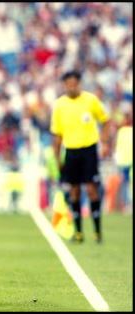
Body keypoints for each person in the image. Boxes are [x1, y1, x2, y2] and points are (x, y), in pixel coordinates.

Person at [50, 71, 111, 244]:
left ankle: (97, 231)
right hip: (71, 151)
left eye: (74, 83)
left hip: (89, 149)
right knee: (74, 190)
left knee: (91, 188)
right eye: (69, 83)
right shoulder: (60, 105)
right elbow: (57, 134)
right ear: (65, 85)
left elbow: (105, 121)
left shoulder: (91, 100)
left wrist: (105, 143)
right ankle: (78, 232)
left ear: (79, 84)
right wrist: (57, 156)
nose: (72, 86)